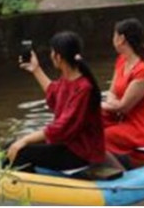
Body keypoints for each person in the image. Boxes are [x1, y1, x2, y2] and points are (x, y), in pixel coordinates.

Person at [6, 31, 105, 171]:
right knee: (9, 145)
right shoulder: (67, 79)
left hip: (80, 153)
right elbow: (54, 93)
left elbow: (61, 127)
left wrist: (26, 139)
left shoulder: (84, 88)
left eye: (52, 52)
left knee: (21, 152)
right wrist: (36, 69)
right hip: (66, 144)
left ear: (58, 57)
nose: (51, 56)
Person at [102, 18, 144, 167]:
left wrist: (102, 105)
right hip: (122, 117)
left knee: (102, 136)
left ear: (121, 39)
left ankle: (119, 170)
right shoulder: (122, 60)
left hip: (142, 127)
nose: (112, 40)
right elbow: (111, 93)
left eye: (114, 35)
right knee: (90, 123)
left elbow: (124, 107)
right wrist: (109, 103)